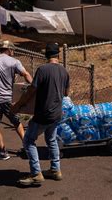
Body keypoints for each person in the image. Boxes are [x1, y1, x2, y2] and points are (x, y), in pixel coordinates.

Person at [14, 43, 70, 186]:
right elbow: (66, 93)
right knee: (51, 139)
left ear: (46, 55)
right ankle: (55, 170)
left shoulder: (43, 70)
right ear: (58, 55)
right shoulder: (64, 71)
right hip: (57, 113)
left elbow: (32, 89)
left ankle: (36, 174)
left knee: (28, 140)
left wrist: (18, 105)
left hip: (43, 114)